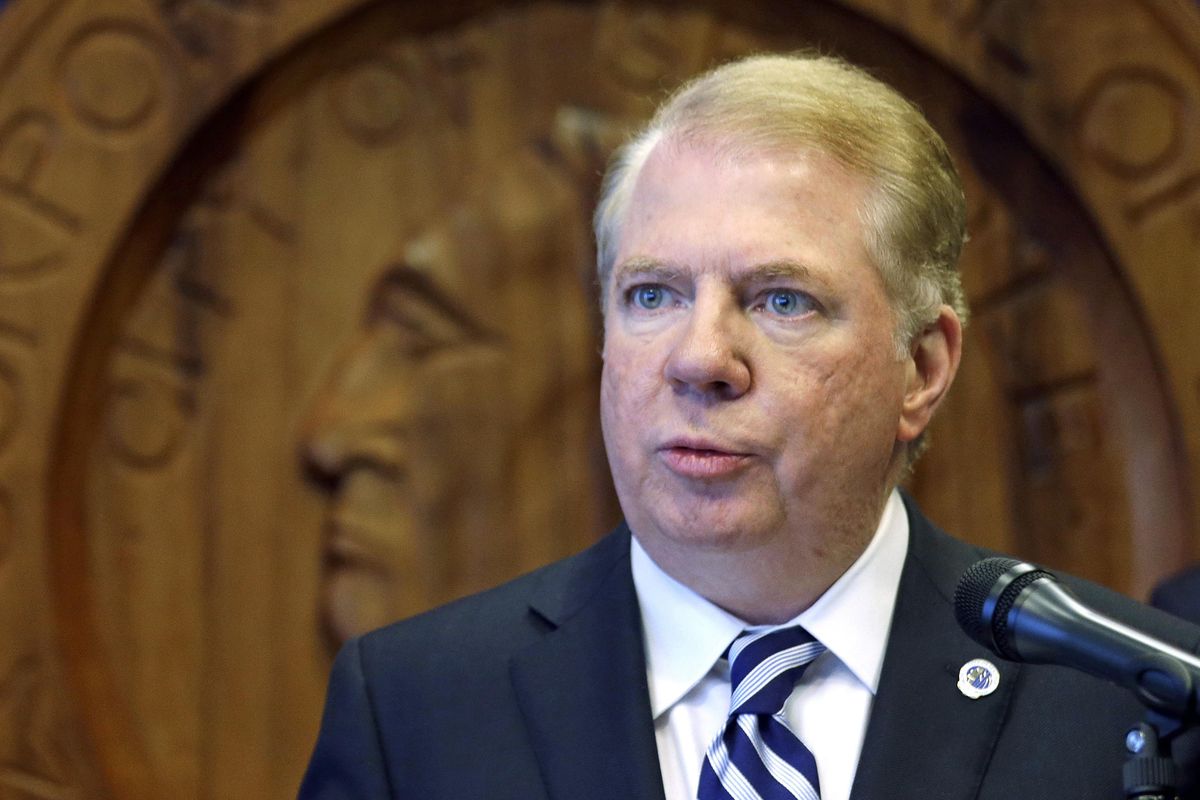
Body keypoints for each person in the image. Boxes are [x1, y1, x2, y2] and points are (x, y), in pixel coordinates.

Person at [298, 52, 1200, 800]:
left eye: (781, 301)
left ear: (923, 369)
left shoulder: (1131, 707)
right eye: (652, 295)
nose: (699, 360)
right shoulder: (414, 711)